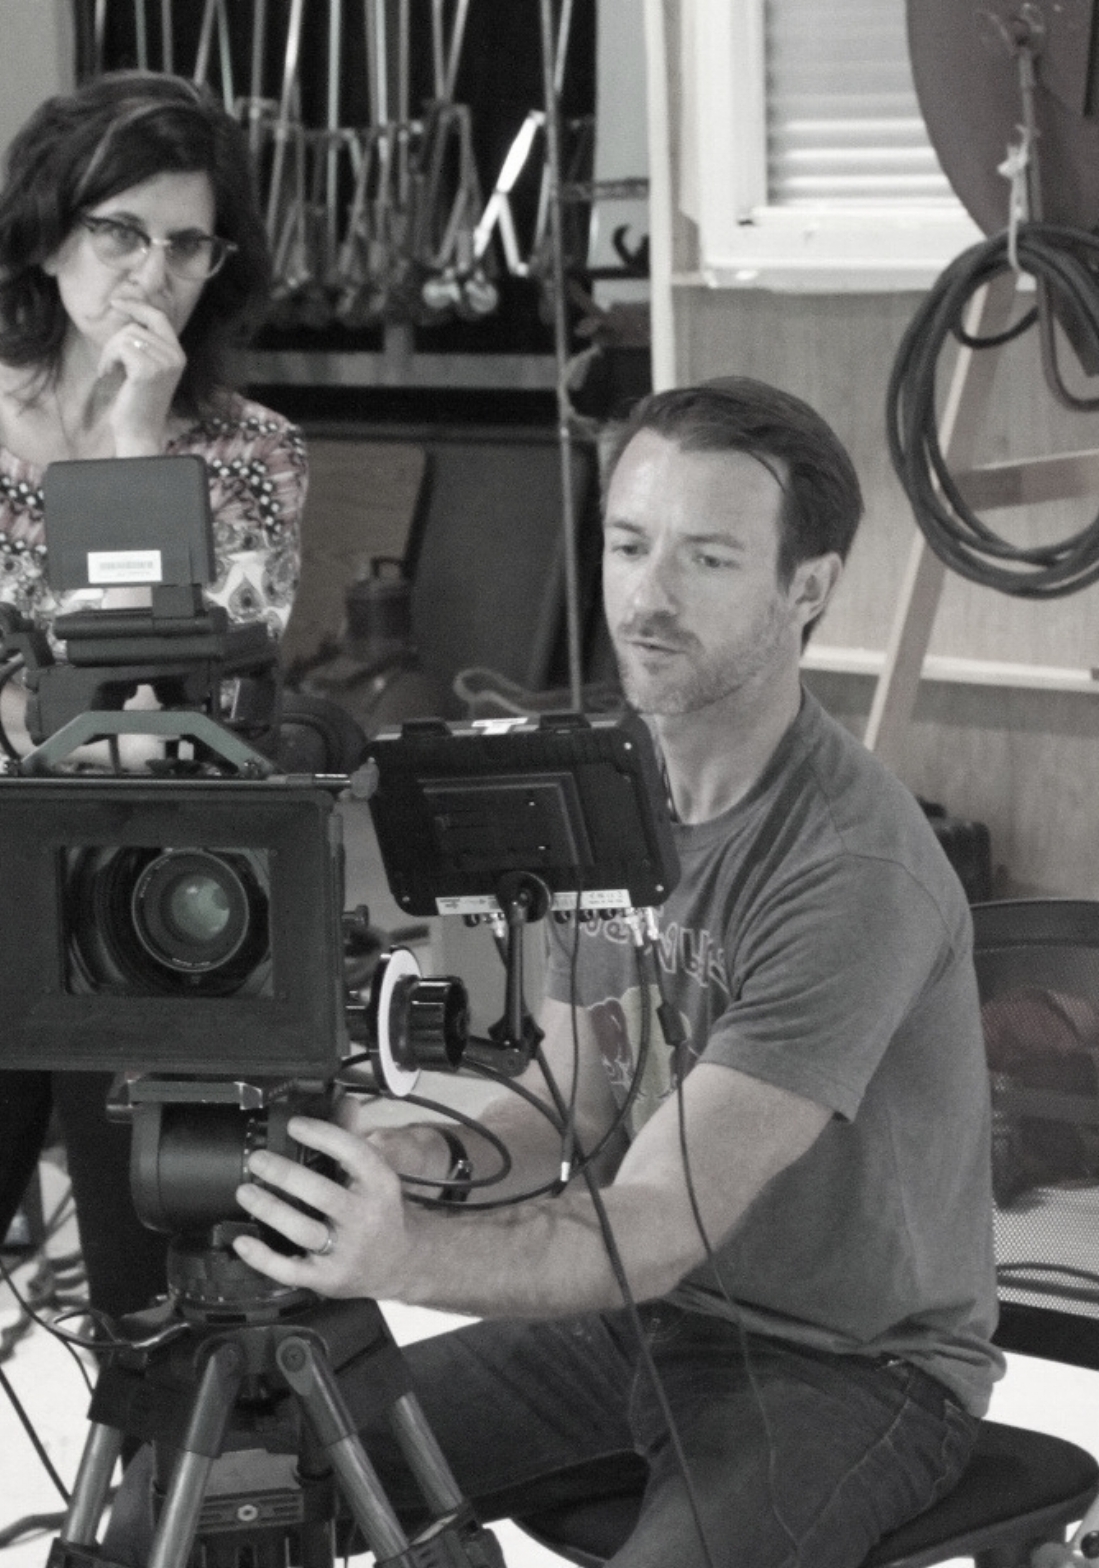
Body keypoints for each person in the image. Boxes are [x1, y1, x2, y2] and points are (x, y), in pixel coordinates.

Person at [201, 378, 1000, 1567]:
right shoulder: (612, 795)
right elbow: (576, 1103)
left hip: (845, 1366)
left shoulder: (849, 867)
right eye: (628, 544)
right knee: (230, 1483)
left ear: (807, 590)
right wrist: (427, 1158)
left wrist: (403, 1253)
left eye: (708, 559)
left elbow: (653, 1220)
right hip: (643, 1320)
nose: (646, 595)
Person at [0, 71, 305, 1565]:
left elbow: (185, 703)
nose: (150, 274)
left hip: (143, 952)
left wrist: (130, 440)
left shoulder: (247, 456)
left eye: (186, 245)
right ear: (45, 239)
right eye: (119, 235)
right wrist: (36, 716)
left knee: (157, 1338)